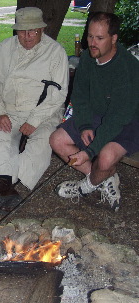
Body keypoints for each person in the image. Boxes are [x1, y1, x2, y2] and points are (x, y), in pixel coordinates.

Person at [0, 7, 69, 211]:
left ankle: (5, 185)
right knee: (0, 135)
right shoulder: (3, 49)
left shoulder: (55, 52)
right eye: (22, 32)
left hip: (44, 112)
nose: (27, 37)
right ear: (16, 31)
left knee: (42, 144)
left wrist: (35, 120)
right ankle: (5, 187)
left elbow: (58, 94)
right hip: (9, 109)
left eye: (33, 31)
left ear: (41, 30)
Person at [49, 12, 139, 212]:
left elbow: (118, 118)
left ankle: (85, 186)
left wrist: (89, 151)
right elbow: (80, 96)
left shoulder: (127, 68)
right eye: (90, 36)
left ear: (114, 39)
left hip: (129, 120)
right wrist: (85, 125)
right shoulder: (89, 58)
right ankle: (104, 177)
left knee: (105, 158)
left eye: (99, 38)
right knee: (57, 140)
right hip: (100, 114)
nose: (92, 43)